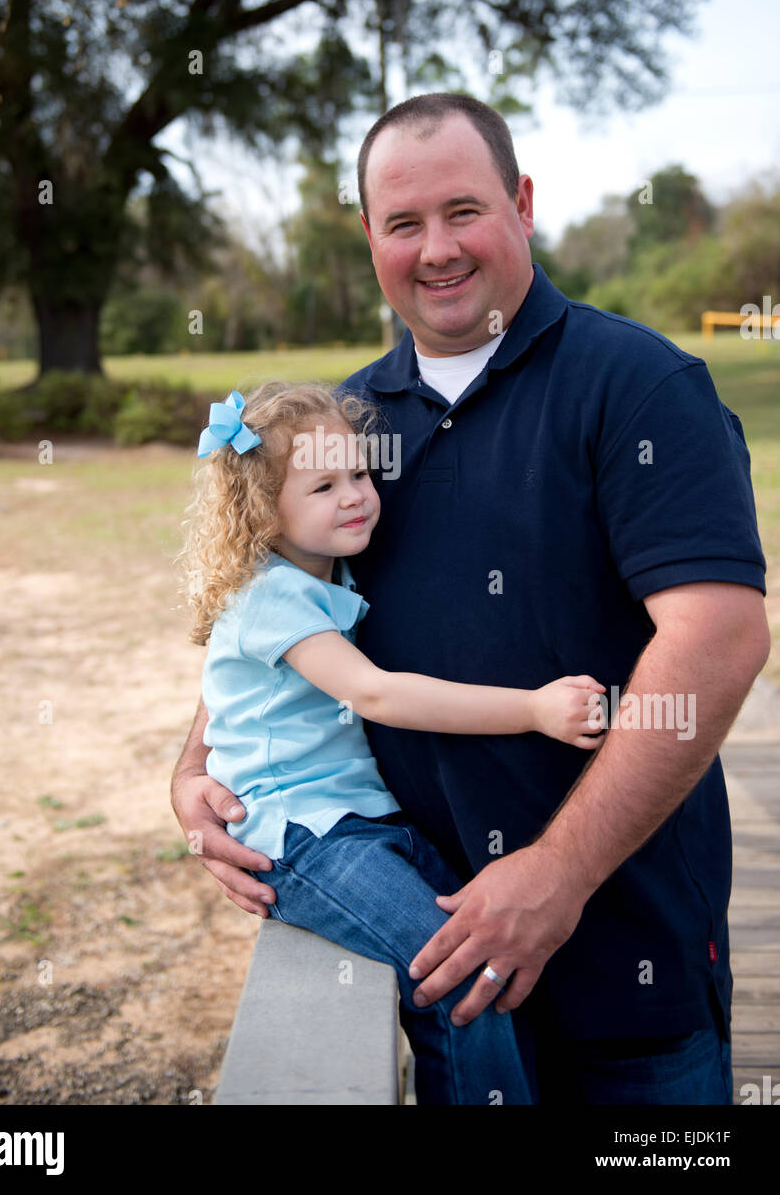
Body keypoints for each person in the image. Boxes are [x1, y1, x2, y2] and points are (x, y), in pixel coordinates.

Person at [172, 93, 770, 1105]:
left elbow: (720, 637)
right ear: (369, 236)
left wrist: (556, 875)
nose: (436, 248)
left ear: (523, 203)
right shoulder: (344, 429)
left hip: (627, 967)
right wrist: (193, 775)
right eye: (403, 223)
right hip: (443, 958)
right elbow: (274, 605)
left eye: (463, 211)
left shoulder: (638, 385)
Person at [180, 379, 607, 1104]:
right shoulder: (273, 596)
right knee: (460, 976)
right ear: (261, 509)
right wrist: (534, 709)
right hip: (302, 838)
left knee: (486, 958)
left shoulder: (325, 571)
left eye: (358, 474)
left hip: (368, 827)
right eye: (322, 486)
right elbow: (375, 693)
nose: (354, 496)